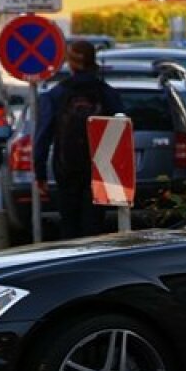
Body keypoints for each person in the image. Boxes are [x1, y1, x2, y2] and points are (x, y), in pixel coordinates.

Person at [33, 40, 126, 239]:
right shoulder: (106, 93)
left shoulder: (56, 94)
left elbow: (43, 135)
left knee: (69, 223)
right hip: (100, 168)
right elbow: (122, 129)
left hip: (66, 167)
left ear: (71, 63)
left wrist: (39, 173)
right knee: (94, 225)